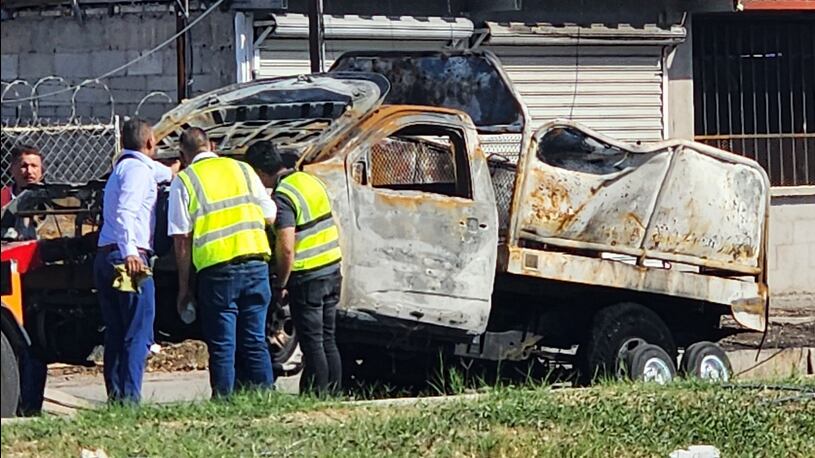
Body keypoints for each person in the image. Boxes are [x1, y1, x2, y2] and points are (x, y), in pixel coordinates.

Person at [168, 128, 277, 398]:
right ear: (212, 145)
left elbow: (181, 239)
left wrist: (184, 287)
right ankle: (266, 397)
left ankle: (224, 401)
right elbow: (271, 214)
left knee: (222, 344)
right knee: (255, 340)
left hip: (218, 272)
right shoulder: (242, 169)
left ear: (183, 154)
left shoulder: (185, 180)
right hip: (255, 264)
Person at [245, 141, 343, 396]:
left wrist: (281, 282)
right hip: (332, 269)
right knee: (328, 339)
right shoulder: (309, 181)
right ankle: (333, 394)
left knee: (313, 344)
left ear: (259, 172)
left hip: (308, 277)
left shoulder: (283, 196)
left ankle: (317, 397)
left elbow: (287, 247)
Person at [95, 118, 173, 404]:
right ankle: (129, 400)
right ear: (150, 143)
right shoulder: (139, 172)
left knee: (116, 330)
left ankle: (117, 396)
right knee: (138, 329)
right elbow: (126, 213)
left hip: (106, 255)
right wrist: (130, 252)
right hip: (128, 258)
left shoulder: (124, 168)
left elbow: (164, 173)